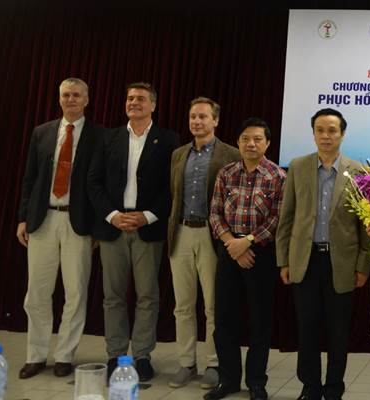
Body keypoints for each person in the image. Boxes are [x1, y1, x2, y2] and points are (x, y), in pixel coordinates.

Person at [276, 108, 370, 400]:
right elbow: (287, 217)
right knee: (307, 329)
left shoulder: (358, 171)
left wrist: (363, 266)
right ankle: (310, 386)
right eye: (320, 130)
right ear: (314, 134)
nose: (326, 136)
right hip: (305, 260)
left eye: (332, 130)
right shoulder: (298, 166)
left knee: (338, 331)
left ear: (342, 134)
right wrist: (283, 260)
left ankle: (333, 388)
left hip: (341, 263)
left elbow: (366, 225)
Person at [87, 82, 179, 381]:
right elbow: (93, 182)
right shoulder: (108, 137)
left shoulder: (169, 140)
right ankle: (115, 354)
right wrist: (113, 216)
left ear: (153, 105)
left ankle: (141, 356)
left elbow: (172, 187)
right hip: (113, 227)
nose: (134, 102)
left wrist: (147, 216)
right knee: (112, 296)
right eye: (129, 98)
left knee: (147, 296)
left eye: (140, 98)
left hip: (147, 229)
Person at [16, 77, 103, 379]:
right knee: (36, 293)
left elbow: (100, 184)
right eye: (66, 95)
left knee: (75, 292)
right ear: (59, 98)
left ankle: (65, 355)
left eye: (77, 95)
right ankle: (36, 355)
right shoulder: (42, 132)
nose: (71, 100)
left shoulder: (99, 135)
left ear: (86, 100)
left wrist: (97, 227)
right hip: (43, 220)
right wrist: (23, 217)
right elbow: (29, 178)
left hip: (78, 223)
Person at [204, 117, 286, 400]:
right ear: (238, 142)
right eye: (245, 139)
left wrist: (247, 242)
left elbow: (277, 219)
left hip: (260, 253)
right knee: (224, 320)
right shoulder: (226, 173)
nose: (251, 144)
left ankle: (256, 382)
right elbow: (215, 213)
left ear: (268, 143)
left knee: (259, 322)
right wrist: (232, 243)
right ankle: (228, 380)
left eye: (257, 139)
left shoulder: (278, 176)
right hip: (228, 250)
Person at [166, 97, 240, 389]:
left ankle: (213, 363)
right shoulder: (178, 154)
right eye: (193, 117)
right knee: (183, 305)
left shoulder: (231, 154)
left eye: (203, 117)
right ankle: (186, 363)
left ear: (215, 121)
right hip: (181, 233)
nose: (196, 121)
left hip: (212, 235)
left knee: (213, 306)